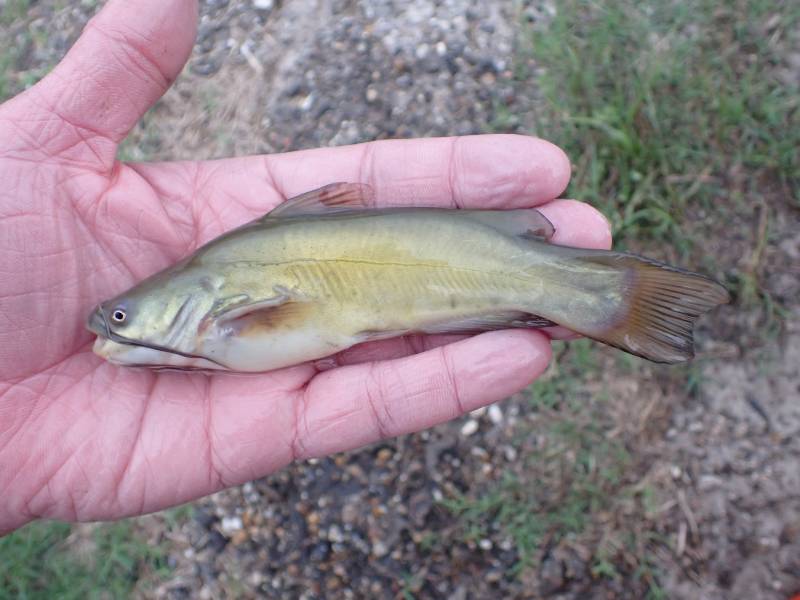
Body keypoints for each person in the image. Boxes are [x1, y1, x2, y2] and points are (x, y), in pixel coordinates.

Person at [0, 0, 610, 535]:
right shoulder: (215, 286)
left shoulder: (220, 288)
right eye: (120, 315)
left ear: (192, 296)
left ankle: (606, 296)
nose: (112, 326)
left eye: (123, 315)